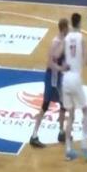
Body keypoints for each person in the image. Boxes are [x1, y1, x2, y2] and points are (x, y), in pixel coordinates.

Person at [29, 18, 69, 148]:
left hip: (59, 78)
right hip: (52, 78)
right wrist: (61, 68)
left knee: (64, 105)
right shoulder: (56, 42)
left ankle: (61, 132)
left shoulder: (64, 41)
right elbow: (50, 63)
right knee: (45, 106)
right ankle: (34, 136)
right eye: (67, 28)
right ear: (64, 29)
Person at [62, 13, 87, 162]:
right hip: (75, 78)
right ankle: (84, 145)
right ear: (80, 23)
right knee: (85, 110)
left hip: (65, 78)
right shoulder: (81, 38)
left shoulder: (66, 38)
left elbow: (61, 55)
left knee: (70, 115)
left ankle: (68, 149)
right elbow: (86, 58)